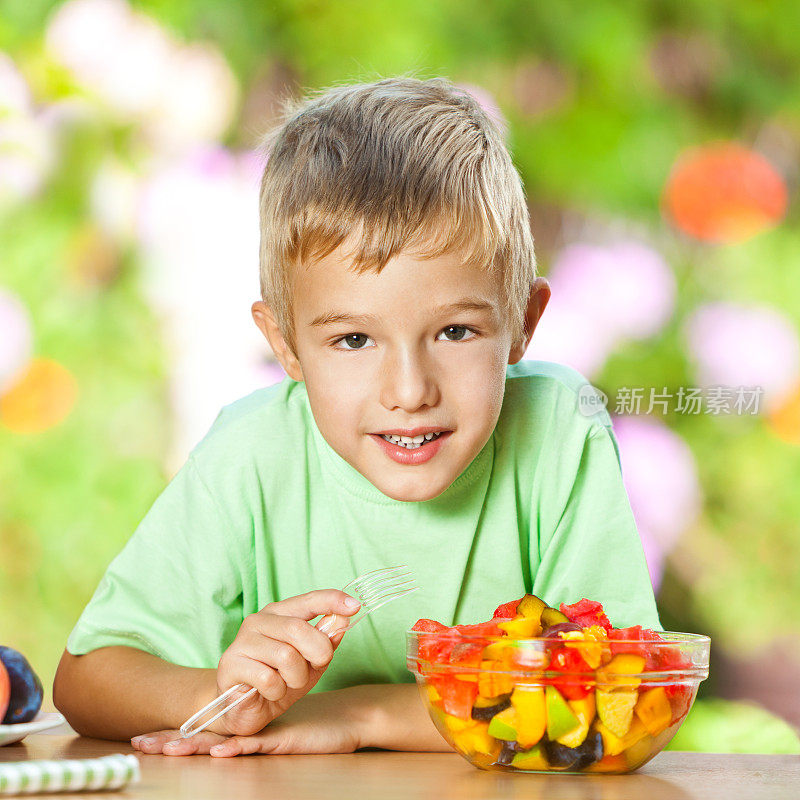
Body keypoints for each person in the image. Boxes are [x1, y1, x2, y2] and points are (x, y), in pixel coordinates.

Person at [53, 76, 660, 757]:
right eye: (353, 340)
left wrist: (356, 716)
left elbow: (616, 694)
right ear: (284, 342)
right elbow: (85, 679)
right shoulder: (252, 452)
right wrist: (219, 696)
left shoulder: (556, 432)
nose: (408, 391)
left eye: (456, 332)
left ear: (523, 321)